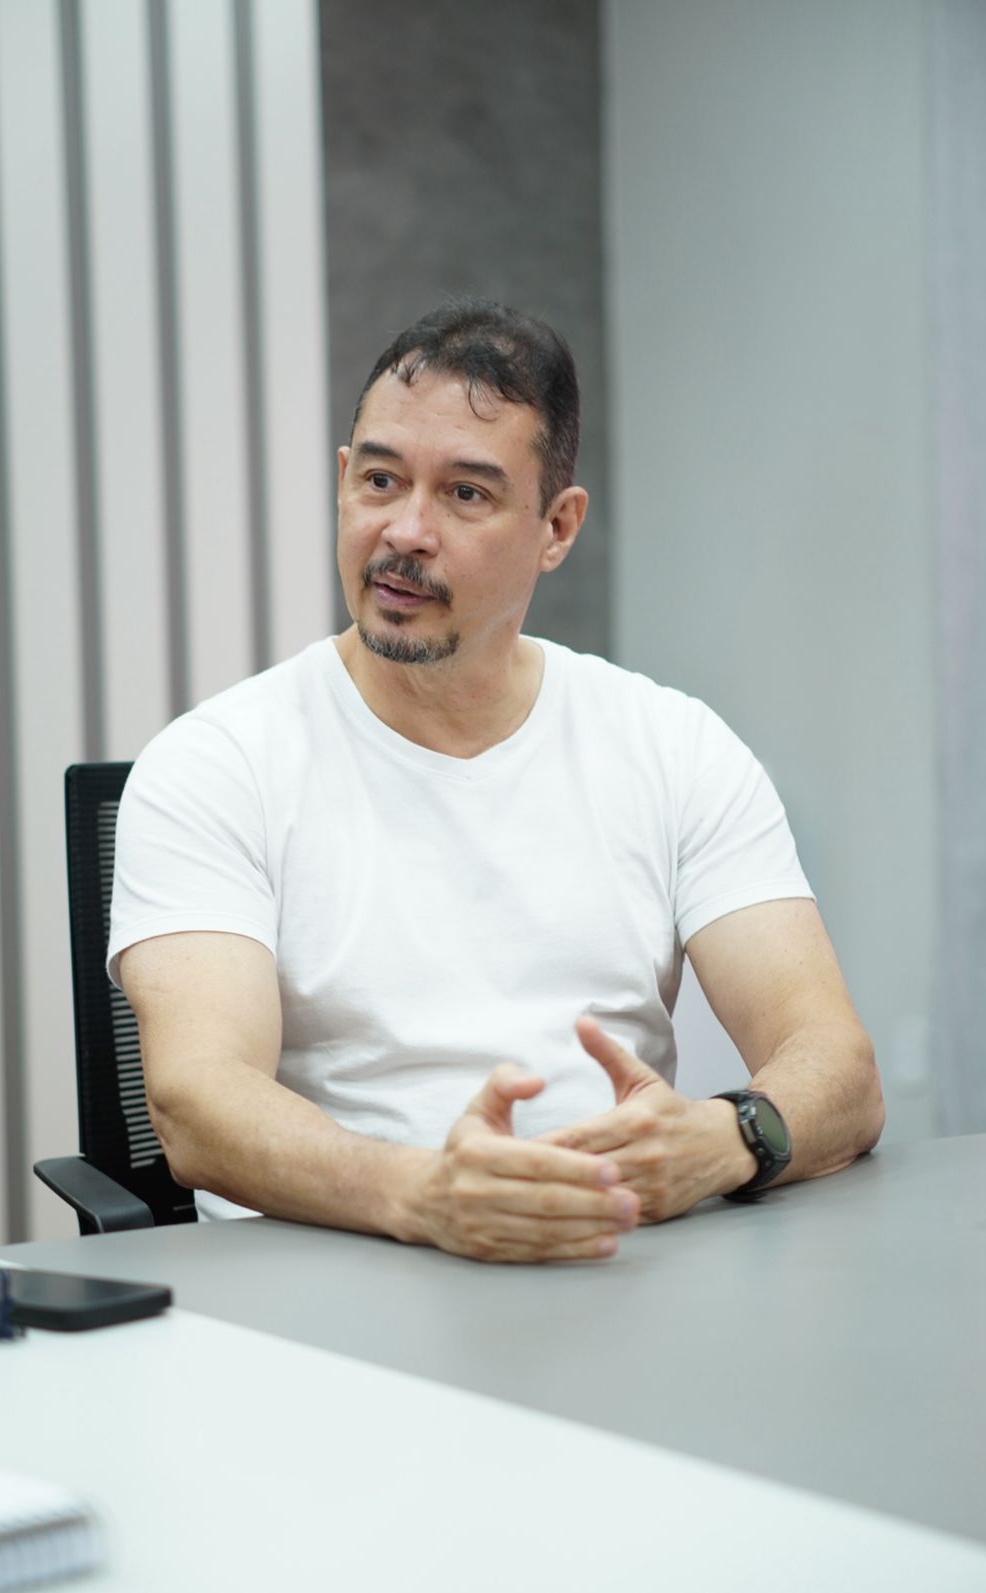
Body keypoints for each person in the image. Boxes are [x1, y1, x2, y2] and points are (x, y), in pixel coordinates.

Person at [110, 298, 884, 1263]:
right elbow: (198, 1103)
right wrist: (425, 1195)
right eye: (380, 481)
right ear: (343, 483)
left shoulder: (672, 745)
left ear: (557, 527)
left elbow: (839, 1069)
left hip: (614, 1265)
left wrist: (726, 1140)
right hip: (333, 1273)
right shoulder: (217, 763)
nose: (406, 531)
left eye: (466, 495)